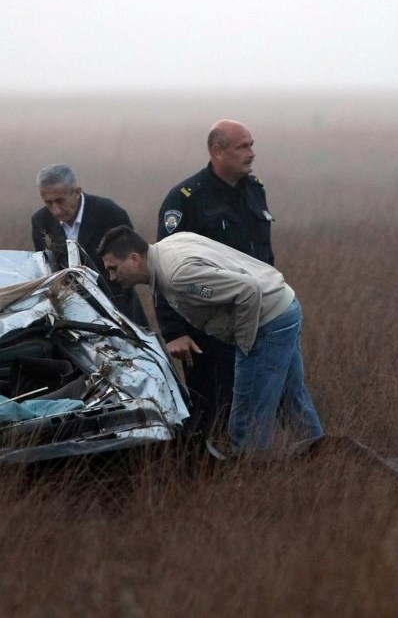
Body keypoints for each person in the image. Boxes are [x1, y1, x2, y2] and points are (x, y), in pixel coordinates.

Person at [98, 225, 324, 455]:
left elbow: (247, 291)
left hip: (268, 322)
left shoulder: (179, 277)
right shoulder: (170, 245)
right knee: (291, 398)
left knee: (247, 419)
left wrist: (245, 346)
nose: (112, 277)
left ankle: (253, 474)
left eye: (114, 268)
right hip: (284, 307)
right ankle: (323, 455)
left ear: (134, 258)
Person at [155, 120, 276, 440]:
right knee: (210, 411)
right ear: (218, 152)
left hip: (256, 317)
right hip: (207, 326)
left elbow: (263, 252)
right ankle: (204, 476)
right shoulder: (186, 199)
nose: (252, 153)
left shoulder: (254, 190)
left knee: (256, 402)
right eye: (243, 147)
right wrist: (175, 332)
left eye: (251, 145)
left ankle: (252, 468)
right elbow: (163, 269)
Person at [31, 163, 146, 324]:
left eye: (60, 201)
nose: (55, 210)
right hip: (69, 316)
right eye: (48, 203)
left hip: (118, 311)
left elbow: (128, 269)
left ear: (77, 192)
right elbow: (46, 271)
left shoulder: (109, 213)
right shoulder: (41, 221)